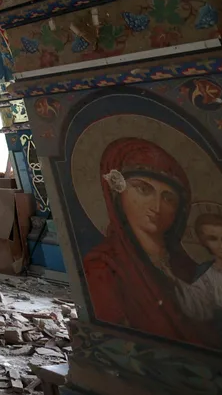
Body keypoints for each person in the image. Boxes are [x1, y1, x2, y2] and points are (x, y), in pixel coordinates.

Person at [81, 138, 213, 346]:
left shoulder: (184, 264)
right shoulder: (103, 265)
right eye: (143, 189)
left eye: (168, 198)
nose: (156, 206)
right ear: (118, 193)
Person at [174, 213, 222, 342]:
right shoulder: (206, 275)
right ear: (204, 242)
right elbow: (197, 308)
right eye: (213, 239)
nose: (221, 246)